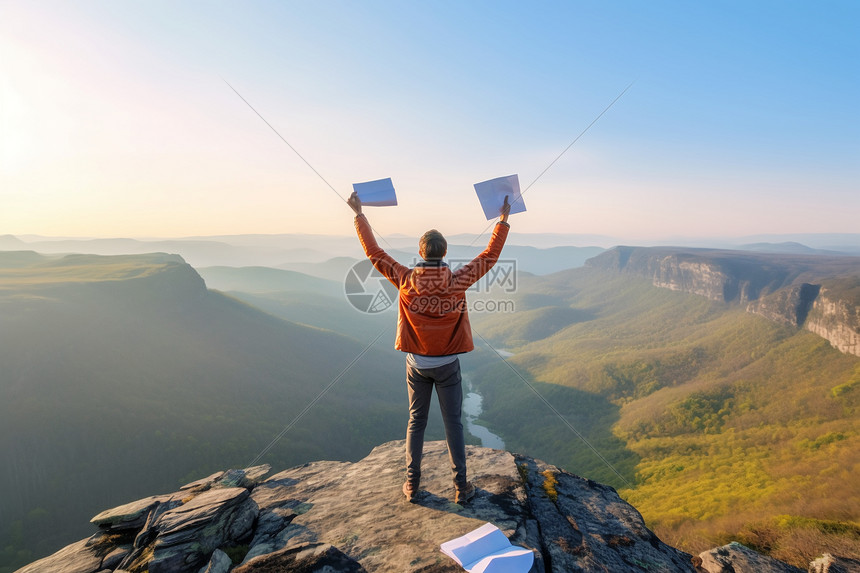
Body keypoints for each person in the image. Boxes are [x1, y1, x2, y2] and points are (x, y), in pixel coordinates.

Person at [348, 191, 511, 504]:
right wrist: (502, 221)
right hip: (448, 365)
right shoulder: (457, 280)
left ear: (420, 252)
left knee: (416, 422)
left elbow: (374, 253)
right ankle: (462, 488)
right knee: (454, 423)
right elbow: (490, 257)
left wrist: (359, 214)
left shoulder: (406, 279)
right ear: (445, 252)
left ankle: (411, 485)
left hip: (417, 364)